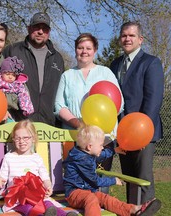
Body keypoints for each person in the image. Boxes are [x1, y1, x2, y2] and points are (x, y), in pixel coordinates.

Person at [54, 33, 123, 193]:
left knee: (99, 187)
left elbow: (118, 104)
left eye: (88, 48)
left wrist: (99, 124)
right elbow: (59, 105)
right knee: (76, 185)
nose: (84, 51)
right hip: (74, 139)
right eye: (80, 48)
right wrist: (78, 123)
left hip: (102, 140)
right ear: (75, 50)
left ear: (95, 50)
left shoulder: (105, 73)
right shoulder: (67, 75)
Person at [110, 21, 164, 205]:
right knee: (130, 179)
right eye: (124, 35)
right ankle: (131, 211)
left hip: (143, 132)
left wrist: (142, 133)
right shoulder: (115, 64)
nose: (127, 39)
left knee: (143, 178)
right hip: (122, 133)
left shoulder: (151, 62)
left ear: (140, 39)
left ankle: (146, 210)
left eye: (132, 35)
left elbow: (153, 100)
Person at [63, 125, 161, 216]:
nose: (102, 147)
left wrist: (114, 150)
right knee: (91, 199)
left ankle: (133, 210)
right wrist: (113, 180)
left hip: (88, 191)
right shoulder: (83, 160)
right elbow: (95, 181)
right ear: (89, 146)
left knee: (106, 199)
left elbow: (101, 155)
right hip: (74, 193)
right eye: (101, 145)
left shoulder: (86, 153)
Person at [0, 119, 76, 216]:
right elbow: (2, 177)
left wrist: (48, 186)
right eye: (17, 138)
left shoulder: (36, 158)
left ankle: (65, 215)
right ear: (13, 139)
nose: (21, 141)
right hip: (18, 198)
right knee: (28, 207)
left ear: (33, 138)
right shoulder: (9, 157)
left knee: (47, 203)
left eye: (25, 138)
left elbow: (45, 178)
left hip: (36, 195)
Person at [3, 12, 64, 126]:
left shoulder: (58, 59)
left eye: (44, 28)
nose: (40, 31)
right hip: (18, 124)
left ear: (49, 32)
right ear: (29, 28)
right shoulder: (12, 51)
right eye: (37, 27)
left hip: (49, 126)